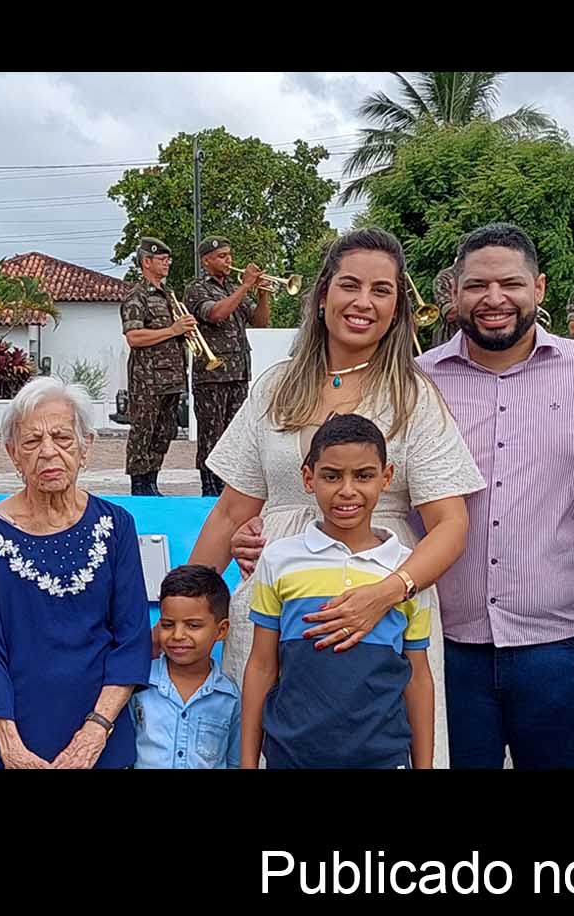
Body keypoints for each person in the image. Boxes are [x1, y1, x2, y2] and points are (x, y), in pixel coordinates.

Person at [190, 228, 479, 759]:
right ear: (323, 294)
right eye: (350, 285)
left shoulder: (414, 397)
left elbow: (452, 524)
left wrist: (386, 594)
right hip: (275, 607)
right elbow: (232, 510)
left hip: (387, 603)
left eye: (382, 290)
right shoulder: (275, 388)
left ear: (398, 307)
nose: (363, 302)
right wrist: (187, 611)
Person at [419, 222, 574, 768]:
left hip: (566, 649)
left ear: (539, 288)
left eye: (511, 284)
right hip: (445, 647)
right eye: (476, 285)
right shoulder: (416, 381)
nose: (494, 299)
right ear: (453, 292)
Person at [239, 414, 435, 769]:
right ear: (308, 478)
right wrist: (248, 763)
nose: (347, 490)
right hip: (292, 756)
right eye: (331, 476)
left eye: (363, 476)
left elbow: (418, 677)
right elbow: (262, 666)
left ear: (386, 477)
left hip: (382, 757)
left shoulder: (407, 572)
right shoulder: (279, 559)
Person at [0, 377, 150, 769]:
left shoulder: (116, 525)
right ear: (12, 454)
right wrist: (10, 744)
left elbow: (131, 638)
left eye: (62, 438)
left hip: (100, 734)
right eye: (32, 442)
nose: (48, 452)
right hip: (12, 738)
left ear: (86, 446)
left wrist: (95, 731)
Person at [183, 236, 270, 497]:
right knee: (212, 435)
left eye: (229, 255)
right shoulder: (197, 288)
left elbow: (260, 321)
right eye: (222, 256)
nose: (229, 260)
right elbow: (216, 314)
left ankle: (230, 489)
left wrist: (262, 293)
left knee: (236, 436)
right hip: (212, 374)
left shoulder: (232, 288)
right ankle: (210, 488)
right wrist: (245, 287)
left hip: (238, 372)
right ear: (206, 261)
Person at [133, 564, 240, 769]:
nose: (178, 635)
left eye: (193, 625)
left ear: (221, 630)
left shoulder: (230, 697)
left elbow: (235, 761)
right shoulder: (141, 684)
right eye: (167, 624)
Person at [121, 236, 198, 497]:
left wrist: (183, 332)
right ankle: (139, 486)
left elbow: (172, 333)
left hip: (171, 378)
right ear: (147, 262)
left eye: (168, 259)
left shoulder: (168, 296)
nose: (167, 264)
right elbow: (134, 337)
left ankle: (153, 480)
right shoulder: (137, 295)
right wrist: (173, 329)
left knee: (165, 431)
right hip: (147, 378)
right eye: (162, 259)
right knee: (144, 431)